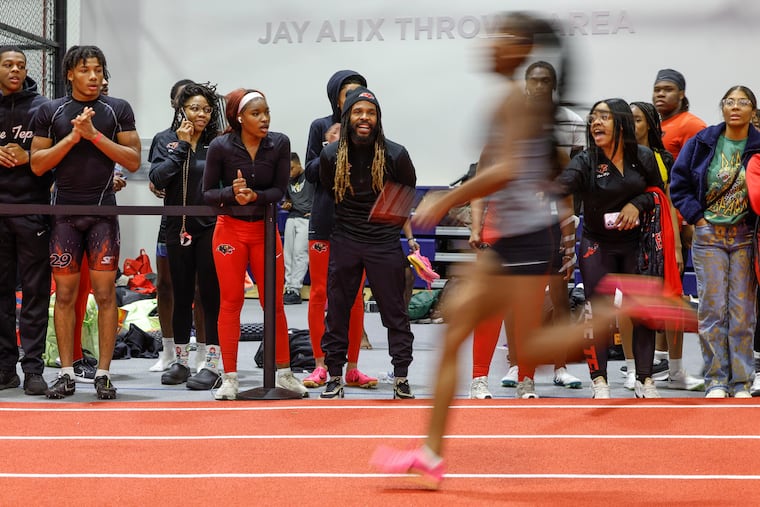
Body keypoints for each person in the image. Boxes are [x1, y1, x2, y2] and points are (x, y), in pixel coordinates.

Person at [370, 12, 568, 487]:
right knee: (457, 332)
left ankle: (613, 317)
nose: (487, 44)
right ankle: (430, 452)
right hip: (510, 240)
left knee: (531, 345)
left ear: (520, 47)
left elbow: (507, 171)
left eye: (499, 35)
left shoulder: (515, 104)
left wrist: (446, 199)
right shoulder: (509, 103)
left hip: (525, 241)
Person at [30, 45, 141, 399]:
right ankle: (65, 371)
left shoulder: (117, 109)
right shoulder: (51, 110)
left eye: (98, 70)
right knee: (64, 295)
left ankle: (104, 373)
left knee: (106, 294)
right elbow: (38, 164)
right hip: (63, 215)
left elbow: (134, 160)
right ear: (69, 74)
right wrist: (74, 136)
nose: (93, 77)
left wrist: (94, 135)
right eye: (85, 70)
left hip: (102, 215)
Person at [554, 98, 665, 399]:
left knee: (642, 311)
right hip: (597, 244)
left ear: (621, 123)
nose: (595, 123)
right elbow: (564, 184)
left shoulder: (643, 156)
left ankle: (645, 379)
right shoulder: (585, 160)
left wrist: (636, 204)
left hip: (636, 244)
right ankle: (599, 379)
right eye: (593, 118)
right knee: (598, 311)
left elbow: (657, 194)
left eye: (603, 117)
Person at [203, 88, 307, 400]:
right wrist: (230, 195)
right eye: (256, 114)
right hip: (230, 232)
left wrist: (255, 197)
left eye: (266, 112)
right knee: (231, 302)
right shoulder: (220, 146)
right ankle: (230, 378)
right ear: (239, 118)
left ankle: (285, 374)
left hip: (264, 230)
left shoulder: (280, 143)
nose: (264, 119)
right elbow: (207, 193)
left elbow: (279, 190)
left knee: (272, 303)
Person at [318, 86, 416, 400]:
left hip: (383, 242)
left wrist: (387, 228)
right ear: (347, 117)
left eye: (370, 113)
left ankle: (401, 376)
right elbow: (328, 190)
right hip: (345, 238)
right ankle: (335, 375)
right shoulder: (331, 155)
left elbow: (405, 195)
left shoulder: (396, 154)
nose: (365, 118)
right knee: (337, 311)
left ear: (378, 119)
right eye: (358, 112)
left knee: (395, 312)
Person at [671, 85, 760, 398]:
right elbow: (678, 184)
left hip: (746, 236)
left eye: (743, 102)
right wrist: (696, 217)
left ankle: (743, 382)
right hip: (709, 236)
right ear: (722, 107)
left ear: (753, 110)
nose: (735, 107)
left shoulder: (758, 145)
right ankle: (716, 380)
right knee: (712, 310)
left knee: (743, 312)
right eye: (729, 101)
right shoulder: (704, 141)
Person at [617, 101, 703, 391]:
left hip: (662, 234)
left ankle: (677, 370)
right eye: (628, 120)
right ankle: (631, 370)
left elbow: (669, 202)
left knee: (672, 300)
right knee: (628, 303)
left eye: (638, 120)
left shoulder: (664, 158)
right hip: (628, 235)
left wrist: (677, 247)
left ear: (651, 125)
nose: (632, 125)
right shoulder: (616, 158)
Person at [302, 70, 377, 390]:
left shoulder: (370, 130)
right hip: (324, 221)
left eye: (362, 93)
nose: (356, 100)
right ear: (337, 98)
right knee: (319, 293)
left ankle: (352, 368)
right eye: (349, 94)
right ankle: (320, 365)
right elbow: (309, 173)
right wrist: (329, 149)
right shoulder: (321, 126)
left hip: (358, 223)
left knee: (354, 297)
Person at [149, 82, 222, 390]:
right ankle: (179, 361)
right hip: (175, 228)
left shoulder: (219, 142)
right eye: (194, 108)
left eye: (206, 109)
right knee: (178, 294)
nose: (201, 114)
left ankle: (211, 363)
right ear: (181, 109)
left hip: (210, 229)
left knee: (208, 295)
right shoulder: (165, 140)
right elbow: (157, 177)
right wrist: (181, 145)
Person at [0, 46, 53, 395]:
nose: (15, 70)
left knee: (34, 291)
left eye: (20, 65)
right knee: (1, 292)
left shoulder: (43, 107)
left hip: (33, 209)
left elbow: (60, 155)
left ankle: (33, 367)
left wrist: (29, 156)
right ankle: (5, 368)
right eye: (7, 65)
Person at [651, 68, 707, 380]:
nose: (660, 94)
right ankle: (660, 358)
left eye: (668, 89)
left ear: (682, 94)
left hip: (679, 223)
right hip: (654, 224)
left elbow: (699, 176)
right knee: (659, 291)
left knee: (673, 292)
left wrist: (689, 219)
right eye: (657, 89)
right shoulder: (656, 125)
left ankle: (687, 359)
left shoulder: (691, 125)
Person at [281, 152, 313, 305]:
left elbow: (322, 195)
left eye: (292, 169)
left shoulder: (310, 176)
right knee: (288, 255)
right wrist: (287, 204)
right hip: (292, 217)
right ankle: (288, 287)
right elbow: (288, 199)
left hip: (306, 219)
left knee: (300, 254)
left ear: (299, 164)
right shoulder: (287, 180)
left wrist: (315, 211)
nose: (289, 173)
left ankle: (295, 288)